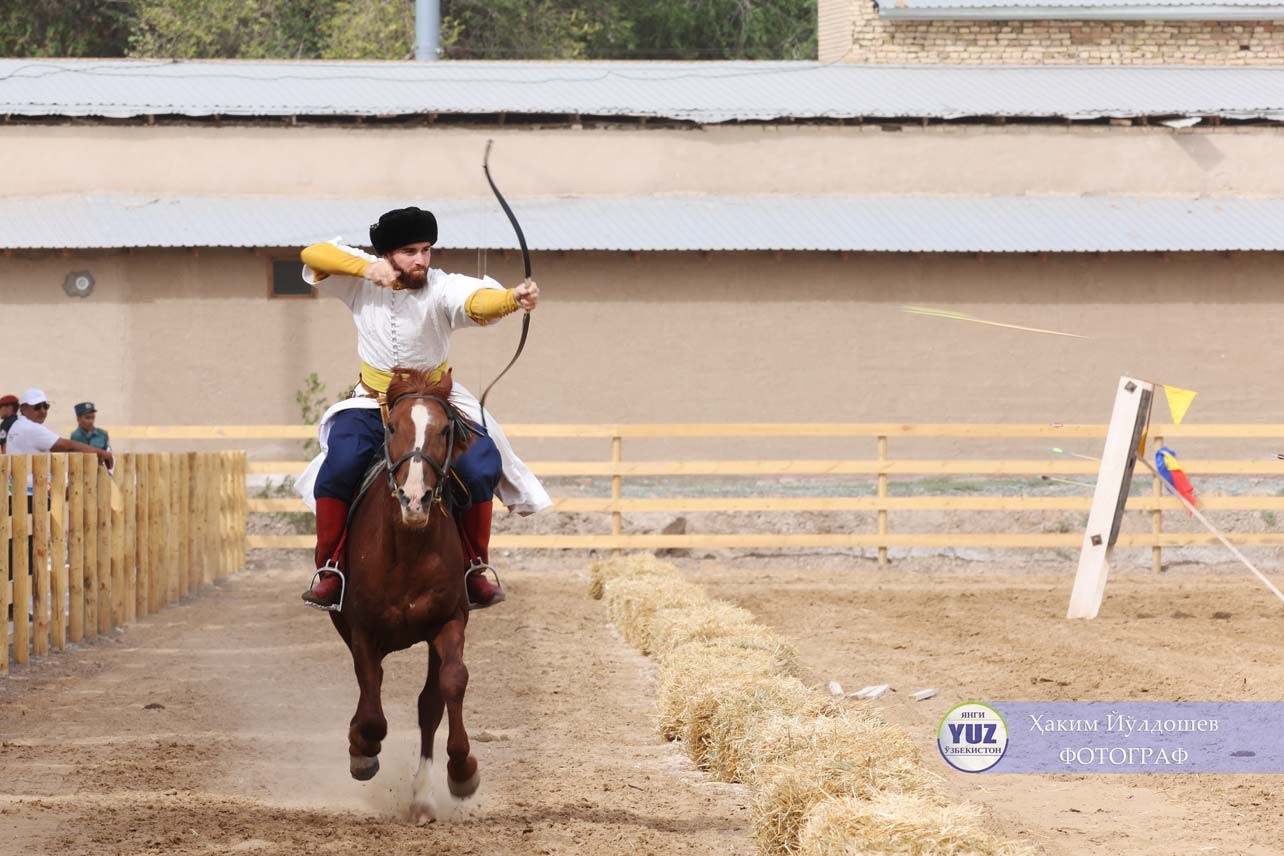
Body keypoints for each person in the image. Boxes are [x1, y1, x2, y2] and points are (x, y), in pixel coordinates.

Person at [294, 206, 551, 611]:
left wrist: (511, 299)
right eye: (409, 251)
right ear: (387, 254)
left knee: (480, 463)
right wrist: (367, 270)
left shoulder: (442, 287)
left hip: (435, 401)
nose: (421, 260)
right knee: (341, 463)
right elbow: (312, 254)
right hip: (373, 401)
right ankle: (331, 570)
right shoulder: (362, 277)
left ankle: (474, 568)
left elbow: (477, 302)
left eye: (426, 250)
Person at [5, 388, 115, 468]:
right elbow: (65, 446)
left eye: (45, 406)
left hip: (24, 487)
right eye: (37, 407)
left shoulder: (18, 424)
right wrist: (100, 453)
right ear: (23, 409)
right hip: (31, 490)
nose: (43, 411)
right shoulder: (30, 428)